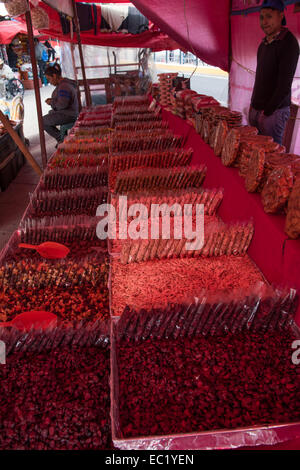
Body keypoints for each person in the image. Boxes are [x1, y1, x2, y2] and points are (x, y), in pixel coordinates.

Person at [249, 0, 299, 145]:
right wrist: (253, 105)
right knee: (254, 154)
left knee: (271, 158)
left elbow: (284, 85)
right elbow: (259, 78)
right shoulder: (263, 44)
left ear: (281, 16)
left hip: (273, 113)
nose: (264, 22)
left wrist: (267, 112)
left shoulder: (289, 43)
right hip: (257, 109)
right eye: (261, 17)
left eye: (269, 16)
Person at [43, 63, 79, 144]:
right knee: (50, 114)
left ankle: (61, 138)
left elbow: (62, 105)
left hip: (69, 114)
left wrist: (51, 102)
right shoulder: (64, 84)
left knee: (42, 121)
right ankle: (62, 136)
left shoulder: (64, 86)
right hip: (70, 112)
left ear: (54, 76)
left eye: (49, 79)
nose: (49, 82)